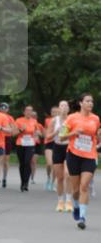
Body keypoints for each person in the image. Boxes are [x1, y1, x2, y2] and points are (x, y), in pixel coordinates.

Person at [62, 94, 100, 230]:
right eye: (88, 101)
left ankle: (82, 217)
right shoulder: (71, 118)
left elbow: (98, 136)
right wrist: (73, 133)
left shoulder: (96, 119)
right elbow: (61, 136)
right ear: (81, 103)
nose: (91, 103)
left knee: (84, 186)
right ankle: (76, 206)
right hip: (73, 155)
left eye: (92, 101)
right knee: (76, 190)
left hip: (90, 156)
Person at [47, 100, 73, 212]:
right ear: (59, 108)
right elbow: (48, 136)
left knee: (68, 175)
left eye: (66, 105)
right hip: (57, 148)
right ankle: (60, 201)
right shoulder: (54, 121)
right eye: (62, 105)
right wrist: (56, 132)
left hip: (68, 148)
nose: (64, 107)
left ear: (68, 108)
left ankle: (69, 201)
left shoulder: (72, 120)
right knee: (60, 178)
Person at [14, 104, 42, 192]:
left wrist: (37, 133)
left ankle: (26, 182)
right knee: (22, 163)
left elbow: (40, 133)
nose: (29, 112)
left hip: (30, 144)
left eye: (31, 110)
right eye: (27, 110)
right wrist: (21, 130)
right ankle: (22, 182)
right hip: (20, 144)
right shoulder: (18, 120)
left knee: (27, 162)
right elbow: (14, 133)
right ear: (24, 112)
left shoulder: (34, 121)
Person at [43, 105, 58, 191]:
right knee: (49, 163)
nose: (55, 113)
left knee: (55, 165)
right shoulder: (47, 120)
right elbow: (45, 131)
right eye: (53, 112)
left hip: (58, 144)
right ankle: (49, 177)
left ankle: (53, 182)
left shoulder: (63, 121)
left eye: (57, 112)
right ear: (51, 113)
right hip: (49, 143)